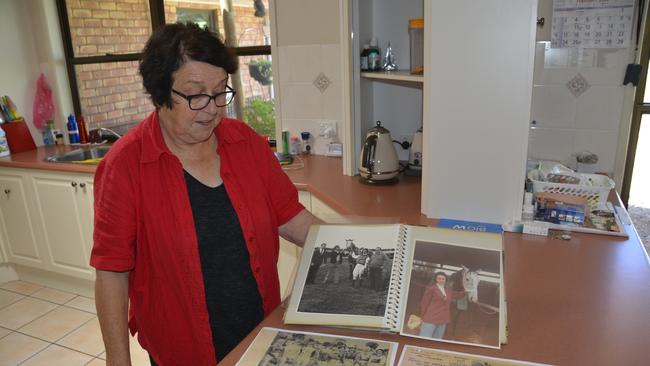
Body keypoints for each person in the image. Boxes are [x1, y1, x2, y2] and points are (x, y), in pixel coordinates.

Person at [91, 23, 317, 366]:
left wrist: (363, 245)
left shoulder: (244, 142)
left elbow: (291, 216)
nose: (212, 108)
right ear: (159, 91)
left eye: (219, 92)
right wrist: (117, 361)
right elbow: (111, 272)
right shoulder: (124, 166)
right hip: (181, 348)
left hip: (258, 334)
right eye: (195, 95)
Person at [418, 271, 465, 339]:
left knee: (437, 339)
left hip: (443, 320)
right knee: (424, 338)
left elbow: (458, 295)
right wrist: (423, 316)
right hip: (431, 318)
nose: (441, 280)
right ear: (436, 279)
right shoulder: (431, 289)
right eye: (439, 278)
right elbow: (424, 303)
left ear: (445, 280)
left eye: (443, 279)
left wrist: (466, 290)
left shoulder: (448, 290)